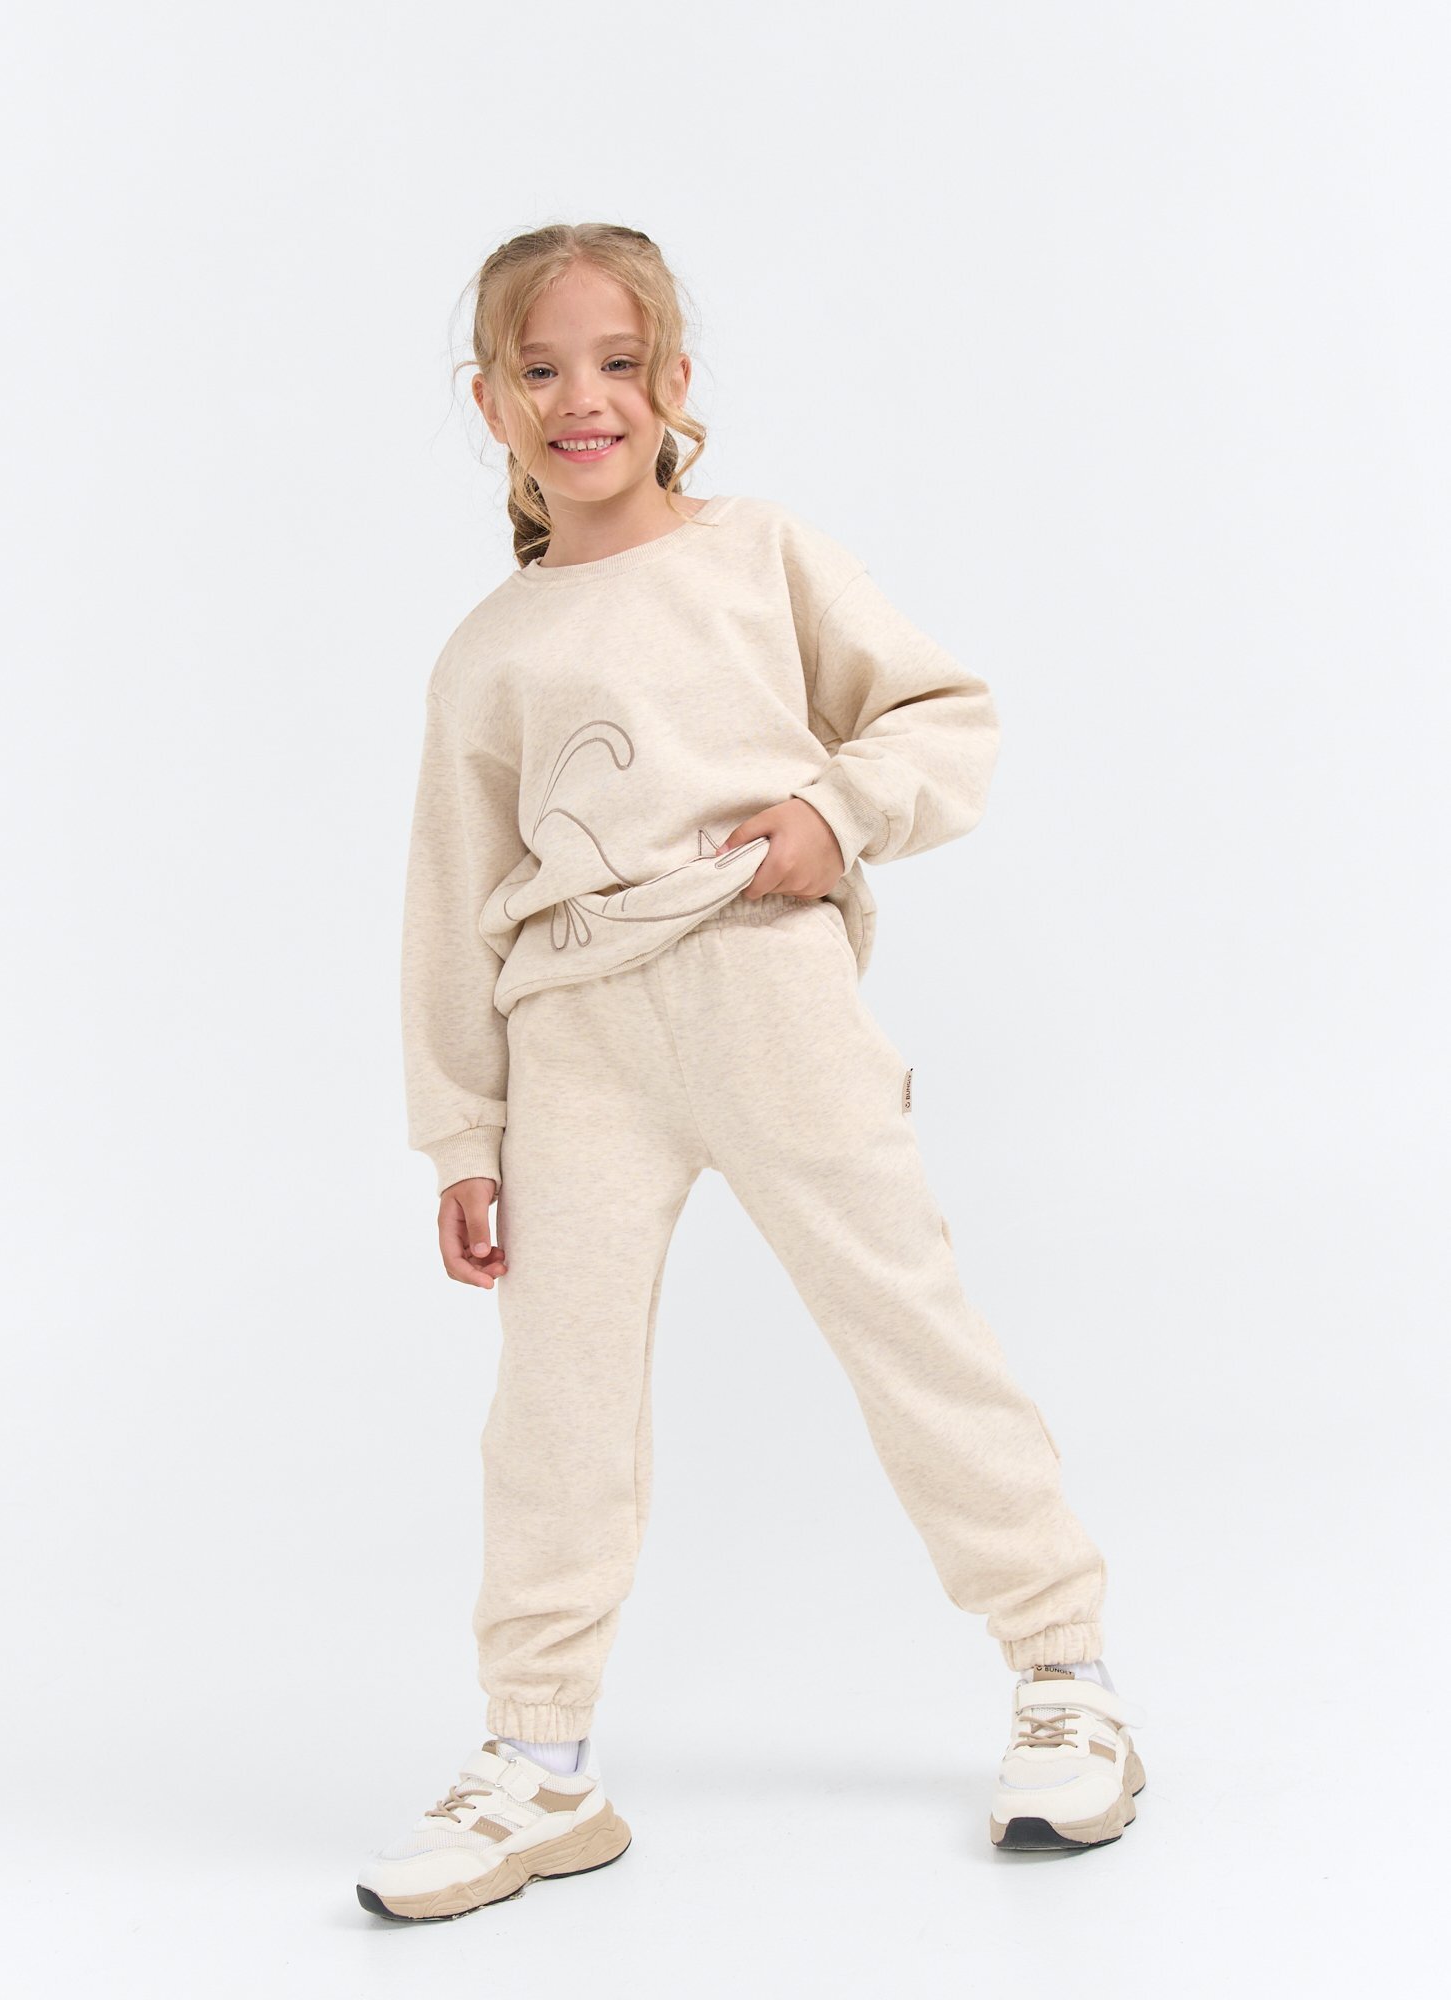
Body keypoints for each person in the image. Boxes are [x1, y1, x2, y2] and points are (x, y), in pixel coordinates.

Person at [356, 223, 1147, 1924]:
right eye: (541, 369)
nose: (582, 399)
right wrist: (462, 1134)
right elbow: (446, 897)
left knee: (909, 1329)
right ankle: (539, 1762)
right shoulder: (487, 651)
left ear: (674, 383)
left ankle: (1064, 1672)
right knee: (554, 1407)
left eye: (616, 362)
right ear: (488, 402)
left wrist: (830, 817)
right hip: (575, 1038)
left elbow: (939, 715)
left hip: (768, 993)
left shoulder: (764, 554)